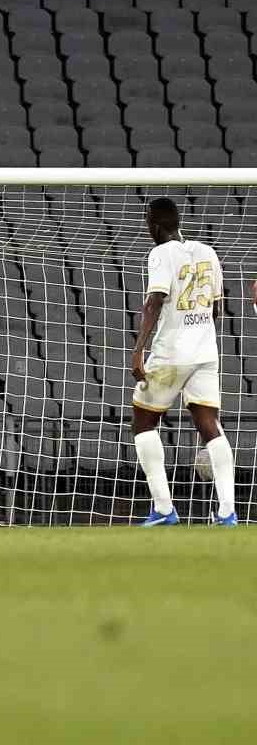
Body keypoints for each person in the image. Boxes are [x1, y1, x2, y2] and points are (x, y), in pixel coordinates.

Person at [132, 197, 234, 525]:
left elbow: (155, 301)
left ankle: (164, 509)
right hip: (206, 352)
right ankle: (228, 512)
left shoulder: (160, 253)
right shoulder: (208, 251)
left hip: (171, 353)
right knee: (210, 426)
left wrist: (138, 350)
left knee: (144, 422)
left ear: (154, 224)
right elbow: (218, 307)